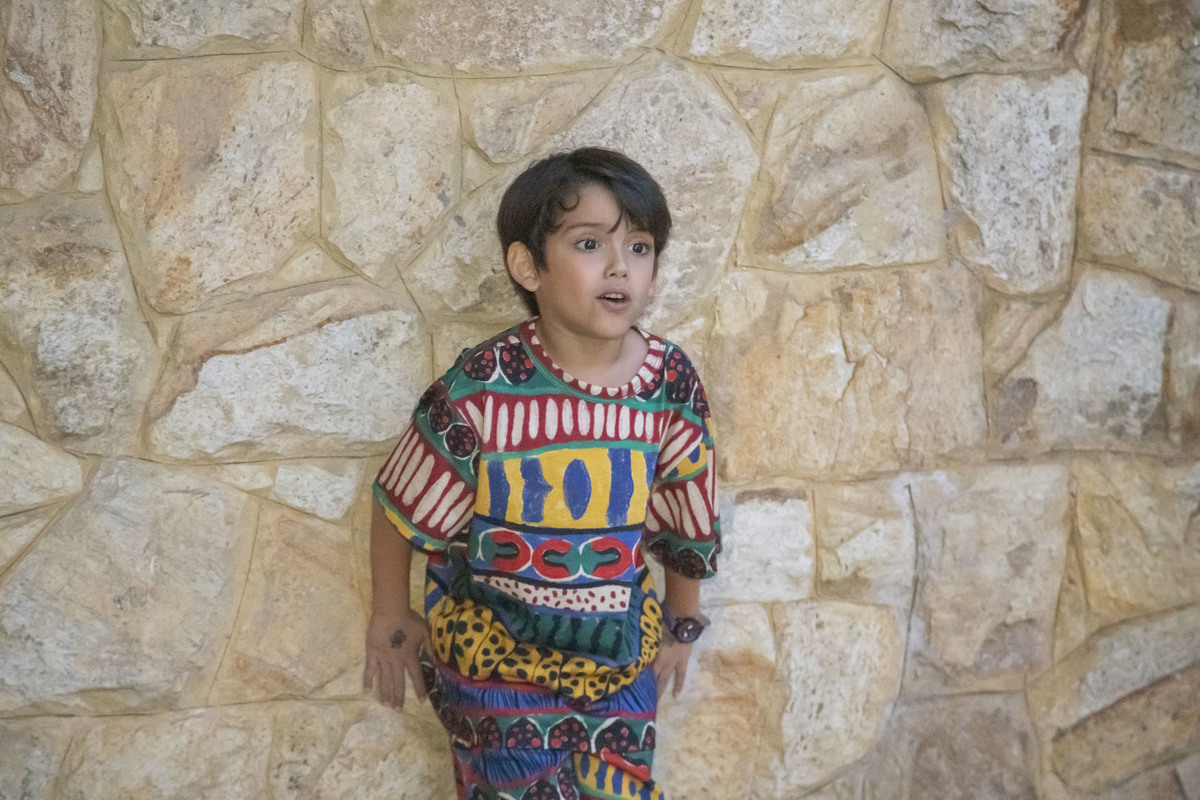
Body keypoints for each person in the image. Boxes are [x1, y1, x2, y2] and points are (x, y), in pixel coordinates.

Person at [364, 147, 721, 800]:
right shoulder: (482, 388)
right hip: (494, 672)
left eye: (639, 247)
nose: (620, 266)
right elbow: (402, 503)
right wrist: (391, 614)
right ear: (528, 266)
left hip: (619, 666)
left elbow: (687, 508)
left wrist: (683, 620)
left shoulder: (669, 382)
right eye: (590, 243)